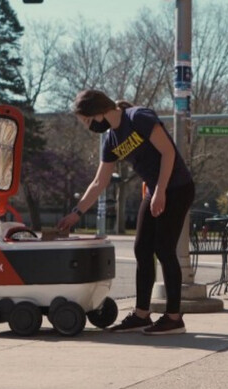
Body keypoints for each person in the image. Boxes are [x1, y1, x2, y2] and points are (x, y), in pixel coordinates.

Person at [58, 90, 195, 335]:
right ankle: (142, 314)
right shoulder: (111, 139)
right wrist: (76, 213)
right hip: (155, 189)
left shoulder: (138, 117)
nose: (89, 127)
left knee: (164, 249)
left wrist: (161, 190)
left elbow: (168, 152)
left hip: (176, 188)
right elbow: (99, 182)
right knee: (142, 248)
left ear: (97, 111)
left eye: (87, 121)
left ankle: (174, 318)